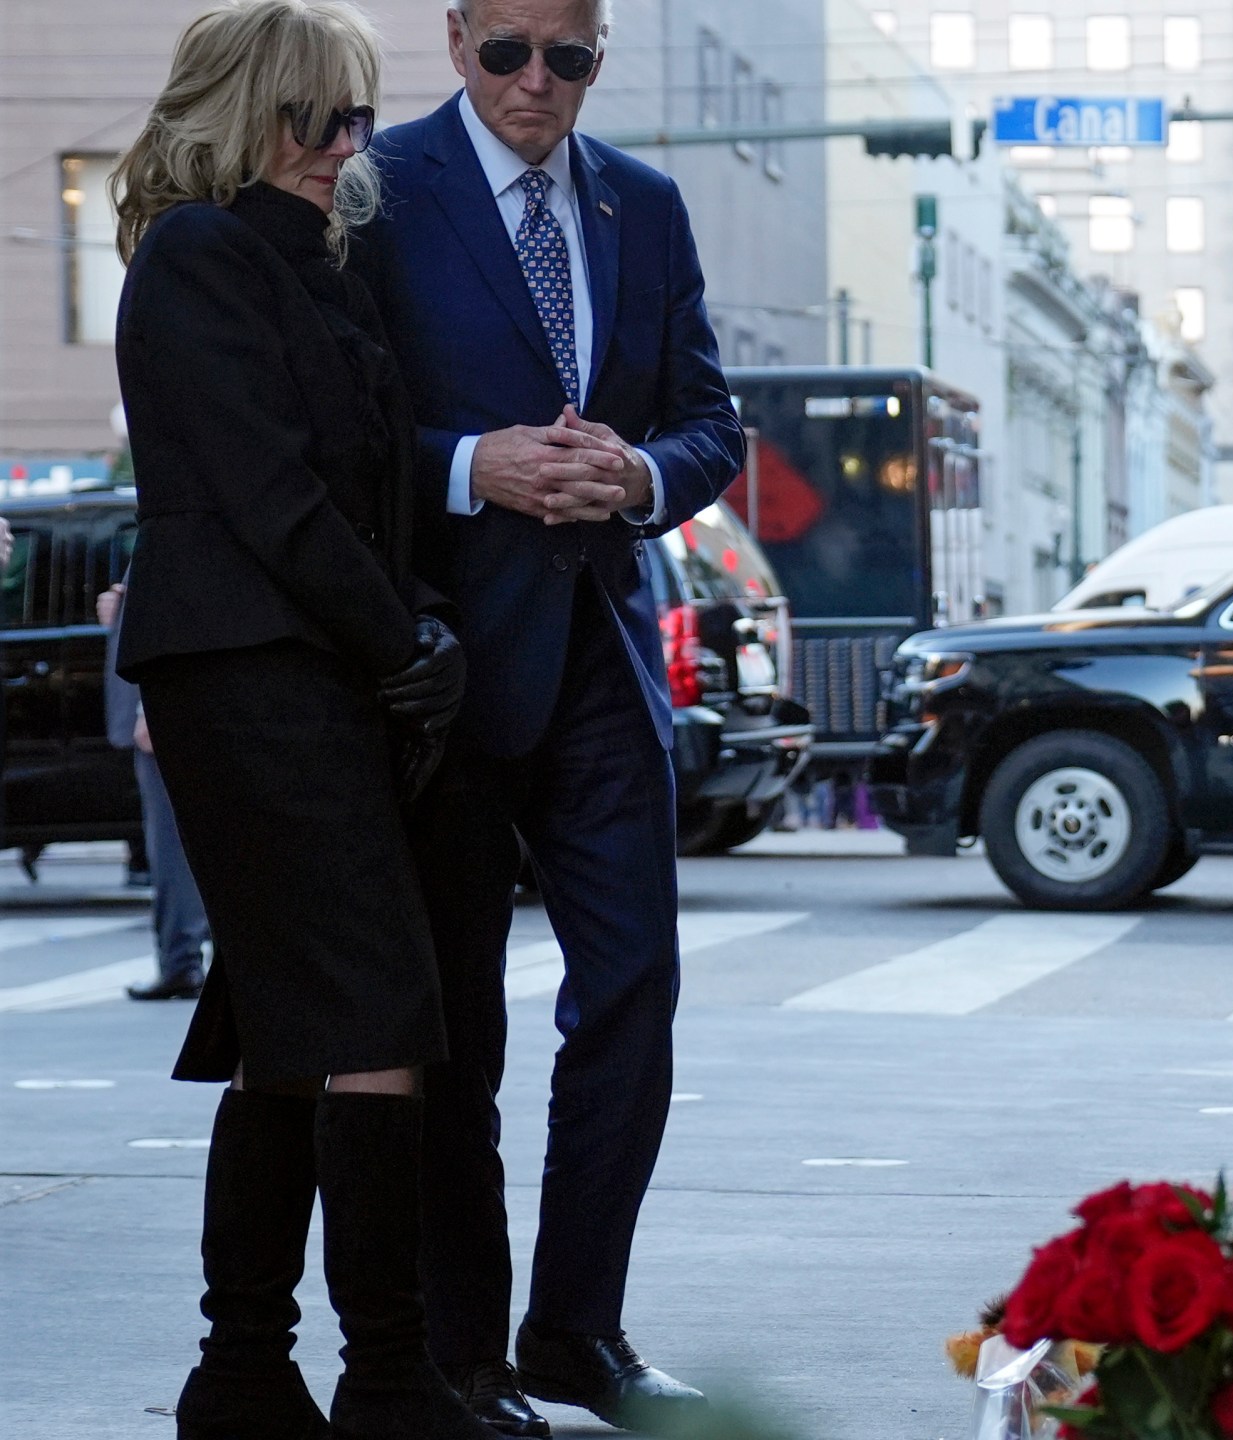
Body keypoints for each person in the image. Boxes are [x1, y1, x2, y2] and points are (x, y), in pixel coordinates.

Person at [360, 0, 743, 1430]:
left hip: (602, 655)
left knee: (633, 989)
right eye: (507, 51)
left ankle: (576, 1330)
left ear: (599, 53)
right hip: (448, 668)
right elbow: (335, 421)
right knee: (456, 1025)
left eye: (566, 55)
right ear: (457, 41)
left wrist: (640, 477)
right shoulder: (377, 192)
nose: (536, 81)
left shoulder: (643, 204)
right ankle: (461, 1353)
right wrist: (474, 466)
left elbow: (713, 420)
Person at [108, 4, 479, 1437]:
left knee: (289, 1020)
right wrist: (405, 645)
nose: (342, 147)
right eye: (311, 116)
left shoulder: (319, 265)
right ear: (242, 110)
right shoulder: (200, 258)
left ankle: (245, 1374)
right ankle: (381, 1377)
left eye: (359, 119)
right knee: (376, 1007)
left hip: (323, 672)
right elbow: (269, 496)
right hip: (251, 677)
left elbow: (366, 488)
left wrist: (414, 631)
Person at [100, 580, 212, 1001]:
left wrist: (150, 705)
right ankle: (184, 960)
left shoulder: (173, 516)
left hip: (168, 707)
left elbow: (173, 603)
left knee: (172, 844)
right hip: (178, 706)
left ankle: (180, 961)